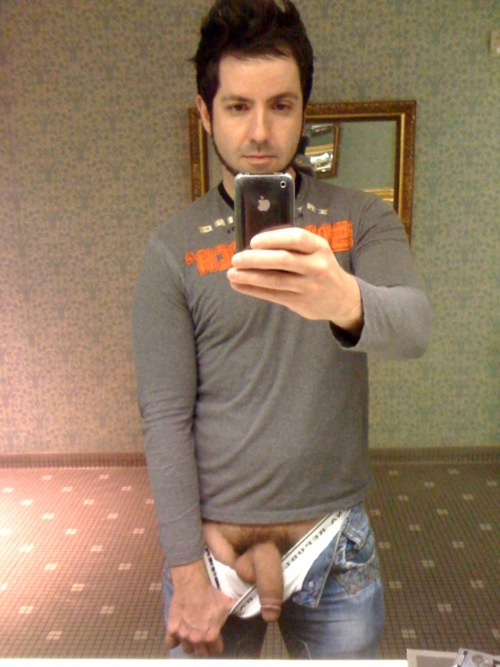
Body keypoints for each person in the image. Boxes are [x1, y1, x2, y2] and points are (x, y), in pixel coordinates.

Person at [132, 0, 432, 659]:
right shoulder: (172, 250)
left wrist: (342, 297)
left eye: (282, 105)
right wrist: (185, 570)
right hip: (213, 553)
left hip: (332, 543)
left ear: (305, 110)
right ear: (206, 112)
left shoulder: (360, 221)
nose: (261, 131)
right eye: (238, 106)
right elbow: (164, 417)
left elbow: (413, 328)